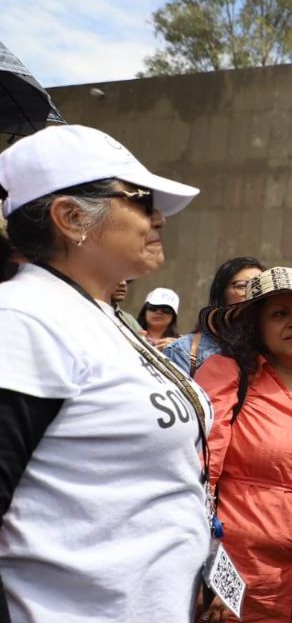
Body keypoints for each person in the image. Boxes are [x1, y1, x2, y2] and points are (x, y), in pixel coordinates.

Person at [0, 124, 209, 622]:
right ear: (71, 218)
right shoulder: (22, 320)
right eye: (140, 199)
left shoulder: (104, 316)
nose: (157, 217)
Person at [193, 266, 292, 622]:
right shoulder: (228, 375)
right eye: (280, 314)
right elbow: (200, 476)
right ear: (255, 326)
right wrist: (210, 574)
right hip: (232, 575)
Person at [163, 256, 265, 376]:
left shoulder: (275, 350)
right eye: (242, 286)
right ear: (221, 293)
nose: (253, 293)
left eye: (260, 287)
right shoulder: (183, 350)